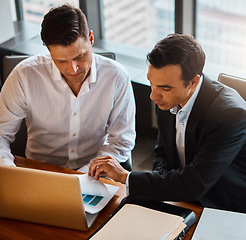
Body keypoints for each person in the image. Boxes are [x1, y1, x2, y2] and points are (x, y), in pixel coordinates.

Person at [89, 33, 246, 213]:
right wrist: (162, 190)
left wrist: (125, 176)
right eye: (151, 83)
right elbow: (162, 154)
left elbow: (195, 184)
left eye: (164, 88)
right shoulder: (167, 99)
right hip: (181, 198)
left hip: (222, 208)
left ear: (193, 81)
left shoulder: (230, 115)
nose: (153, 95)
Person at [0, 4, 135, 172]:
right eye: (61, 61)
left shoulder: (117, 77)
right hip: (40, 171)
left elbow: (121, 141)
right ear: (49, 52)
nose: (73, 69)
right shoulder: (24, 76)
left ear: (91, 39)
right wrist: (9, 172)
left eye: (80, 56)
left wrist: (85, 175)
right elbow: (1, 134)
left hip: (94, 173)